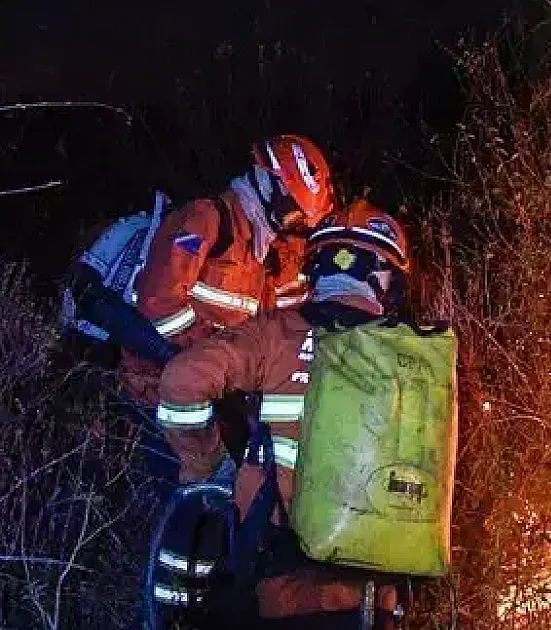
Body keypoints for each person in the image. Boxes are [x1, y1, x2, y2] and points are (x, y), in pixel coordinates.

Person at [154, 200, 411, 627]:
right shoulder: (415, 357)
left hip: (280, 582)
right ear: (385, 279)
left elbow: (182, 381)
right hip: (372, 592)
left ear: (316, 270)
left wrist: (212, 470)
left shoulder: (274, 334)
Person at [131, 135, 337, 617]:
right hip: (161, 395)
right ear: (266, 184)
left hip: (218, 401)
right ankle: (162, 610)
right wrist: (217, 357)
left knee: (227, 521)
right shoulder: (206, 221)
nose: (294, 226)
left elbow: (289, 327)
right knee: (181, 513)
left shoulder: (276, 257)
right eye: (292, 212)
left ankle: (205, 606)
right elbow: (160, 304)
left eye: (303, 221)